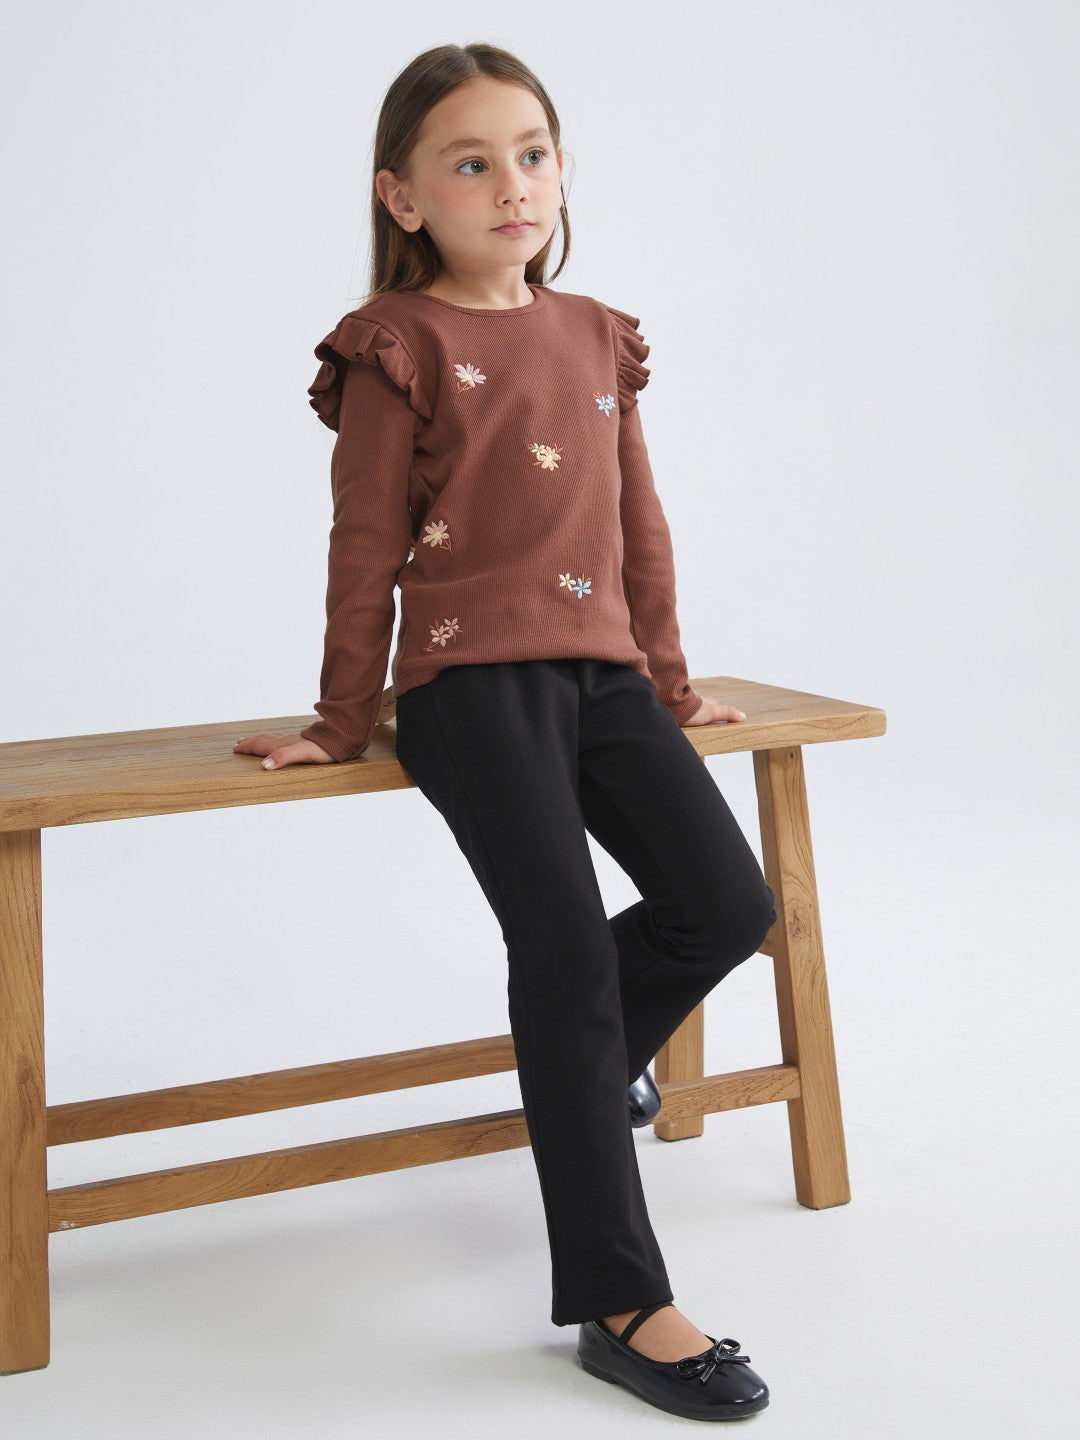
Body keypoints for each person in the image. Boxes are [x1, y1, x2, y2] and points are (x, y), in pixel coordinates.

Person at [234, 42, 776, 1422]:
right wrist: (341, 716)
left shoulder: (595, 332)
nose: (512, 184)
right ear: (403, 196)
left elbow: (636, 524)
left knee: (727, 902)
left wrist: (671, 681)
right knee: (564, 955)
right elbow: (364, 543)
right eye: (471, 163)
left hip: (603, 677)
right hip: (471, 692)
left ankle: (586, 1065)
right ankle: (619, 1298)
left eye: (532, 154)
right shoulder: (394, 345)